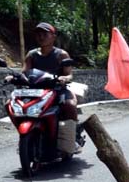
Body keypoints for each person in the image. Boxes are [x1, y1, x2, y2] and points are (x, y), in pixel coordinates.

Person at [16, 22, 81, 152]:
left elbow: (69, 74)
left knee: (70, 105)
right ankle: (26, 137)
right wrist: (15, 77)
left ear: (53, 36)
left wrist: (64, 78)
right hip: (36, 91)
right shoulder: (32, 55)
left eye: (45, 34)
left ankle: (72, 140)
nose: (41, 37)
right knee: (12, 105)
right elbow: (24, 72)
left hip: (57, 90)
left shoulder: (61, 54)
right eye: (39, 34)